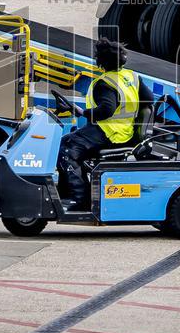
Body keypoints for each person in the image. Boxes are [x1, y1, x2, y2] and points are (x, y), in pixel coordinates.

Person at [57, 38, 153, 209]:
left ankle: (78, 199)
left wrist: (83, 112)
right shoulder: (132, 77)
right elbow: (149, 99)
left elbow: (106, 110)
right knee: (69, 140)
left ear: (101, 62)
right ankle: (66, 193)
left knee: (67, 147)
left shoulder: (105, 83)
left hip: (109, 132)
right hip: (125, 131)